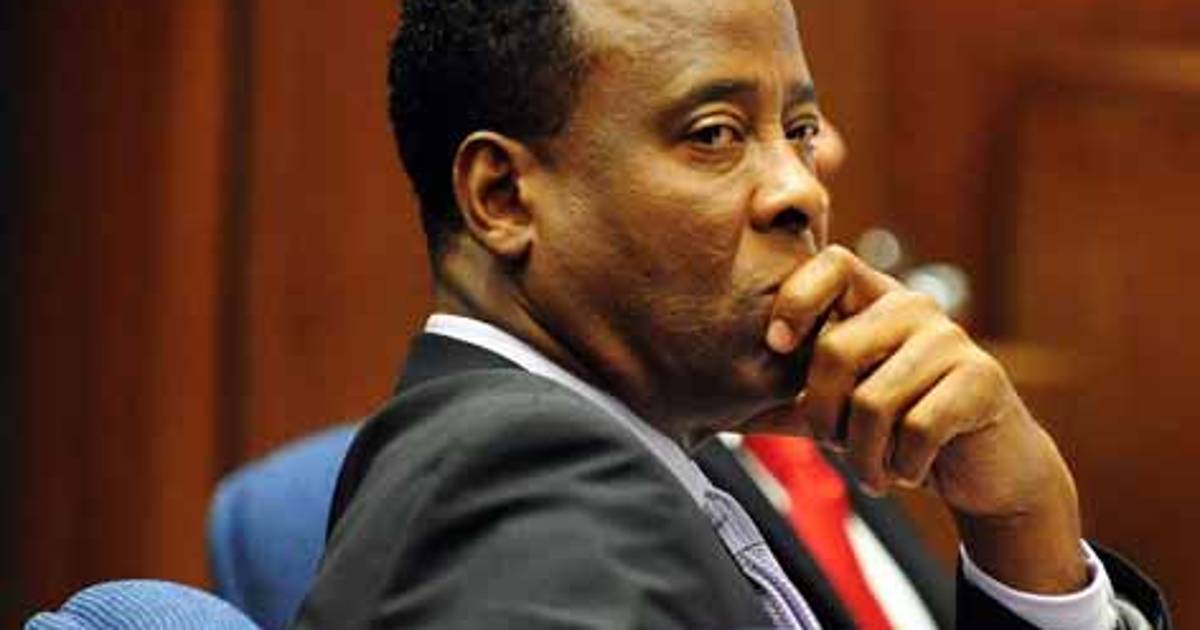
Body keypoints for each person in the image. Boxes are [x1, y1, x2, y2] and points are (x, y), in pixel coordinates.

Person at [294, 1, 1169, 628]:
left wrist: (1025, 538)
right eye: (714, 133)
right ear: (503, 198)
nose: (801, 190)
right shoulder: (511, 488)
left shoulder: (660, 460)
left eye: (799, 128)